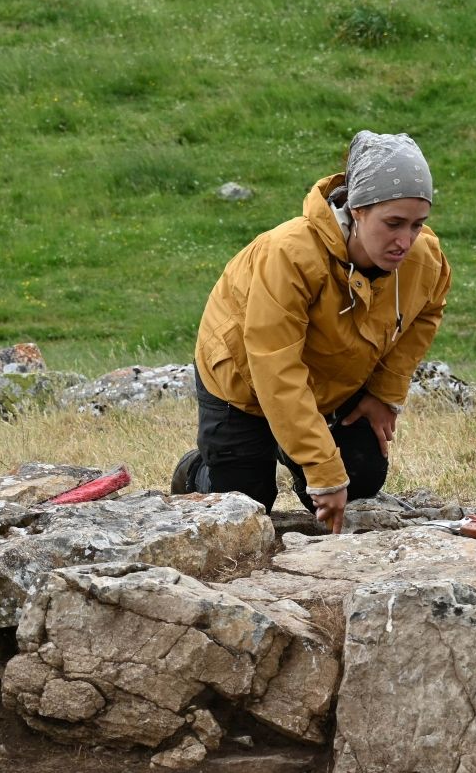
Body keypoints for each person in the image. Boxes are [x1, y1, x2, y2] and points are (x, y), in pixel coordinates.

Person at [170, 130, 450, 534]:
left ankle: (296, 443)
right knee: (244, 505)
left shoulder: (424, 257)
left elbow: (427, 311)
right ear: (358, 210)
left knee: (360, 479)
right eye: (393, 223)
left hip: (329, 378)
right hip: (242, 379)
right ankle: (197, 469)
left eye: (417, 224)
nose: (405, 241)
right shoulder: (289, 255)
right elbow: (275, 366)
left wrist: (384, 393)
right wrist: (322, 469)